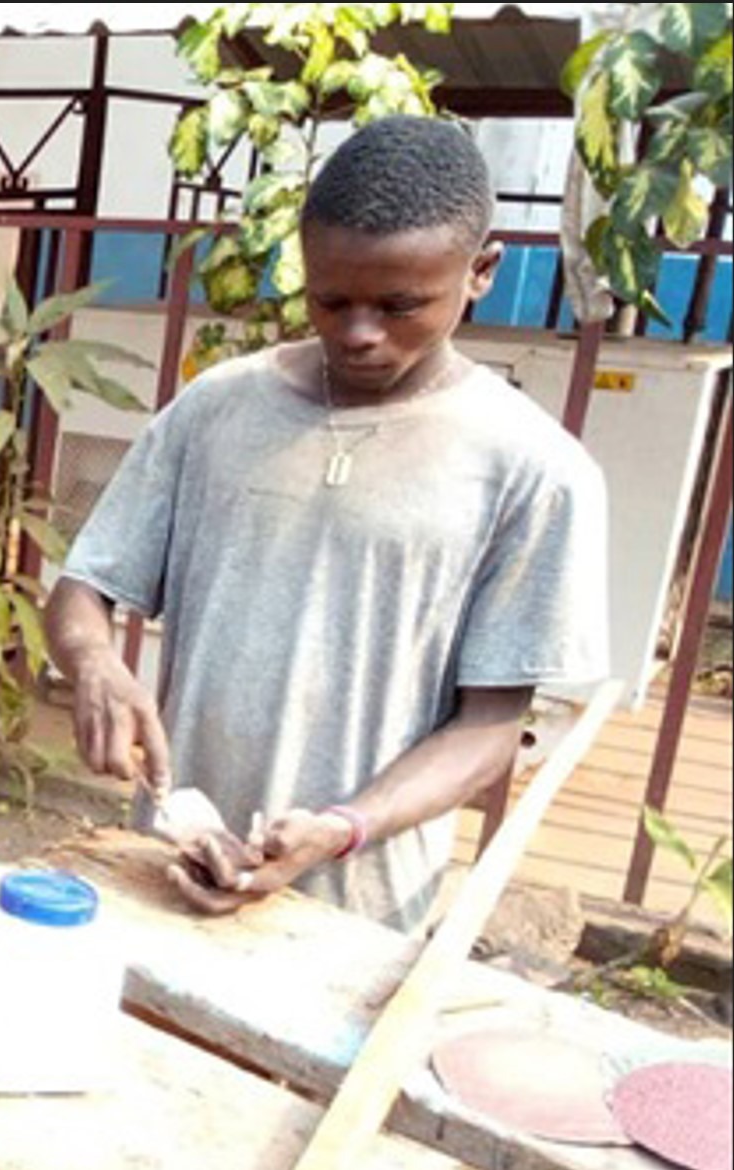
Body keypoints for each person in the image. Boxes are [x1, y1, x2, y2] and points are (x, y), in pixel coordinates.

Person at [44, 116, 609, 932]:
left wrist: (343, 829)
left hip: (357, 914)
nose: (358, 333)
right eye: (330, 299)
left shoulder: (532, 469)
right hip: (169, 872)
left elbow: (491, 727)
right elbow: (86, 588)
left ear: (481, 271)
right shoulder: (218, 410)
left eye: (400, 304)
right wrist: (94, 663)